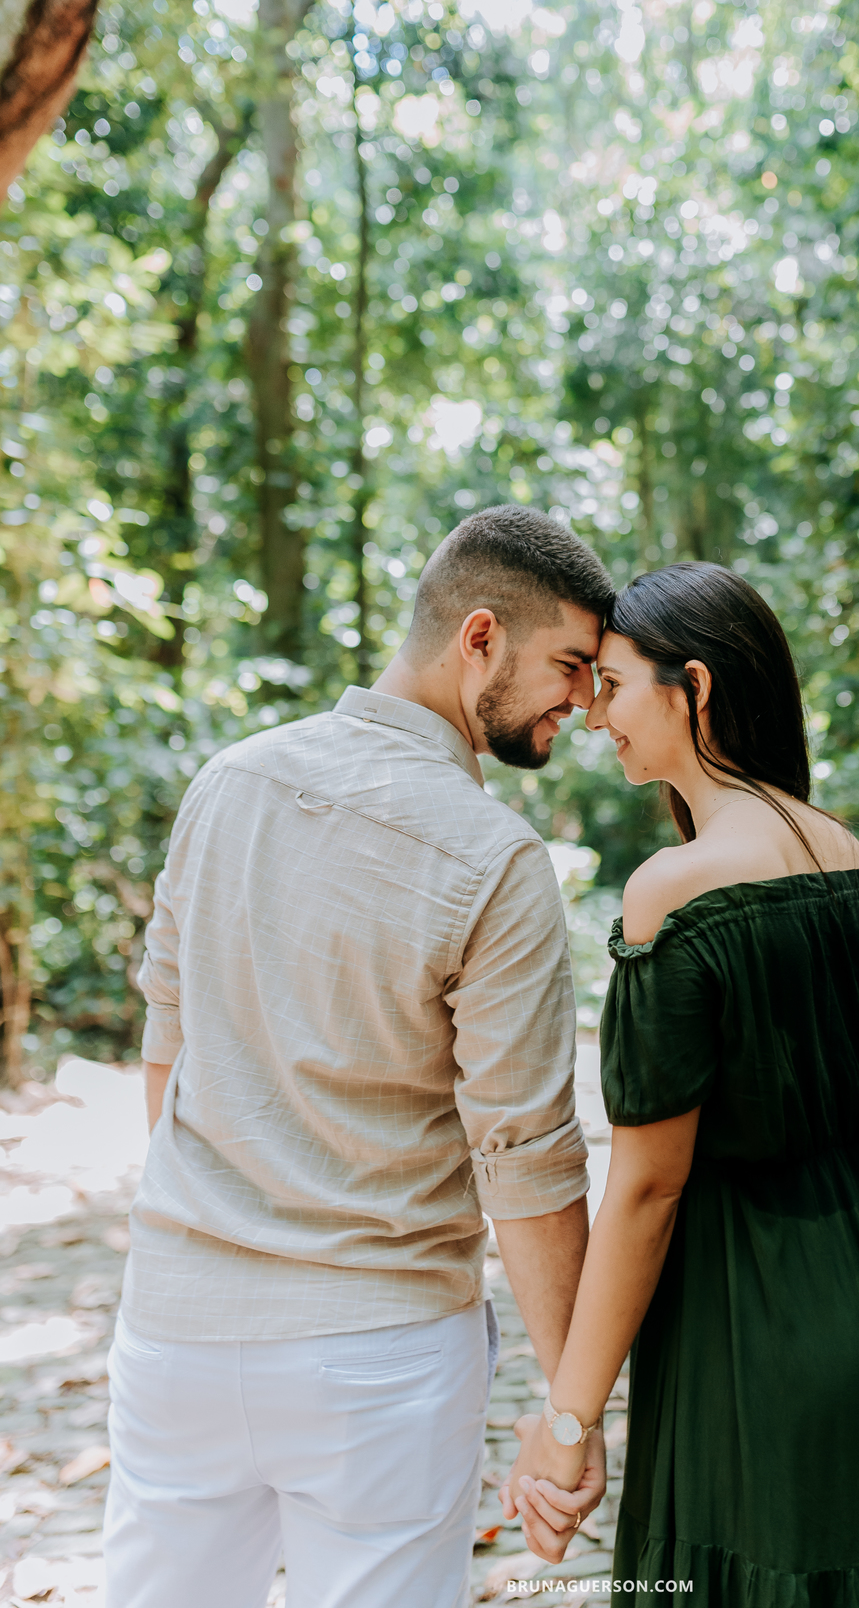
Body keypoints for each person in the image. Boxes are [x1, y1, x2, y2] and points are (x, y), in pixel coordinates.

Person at [104, 506, 610, 1608]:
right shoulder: (496, 859)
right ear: (480, 636)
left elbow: (166, 1051)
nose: (583, 699)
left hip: (177, 1328)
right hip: (376, 1357)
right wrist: (572, 1410)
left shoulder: (226, 782)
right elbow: (524, 1155)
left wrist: (229, 1227)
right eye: (569, 665)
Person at [503, 561, 859, 1605]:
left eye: (617, 686)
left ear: (698, 687)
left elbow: (646, 1187)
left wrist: (568, 1418)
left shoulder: (671, 892)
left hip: (753, 1349)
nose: (595, 718)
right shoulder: (845, 856)